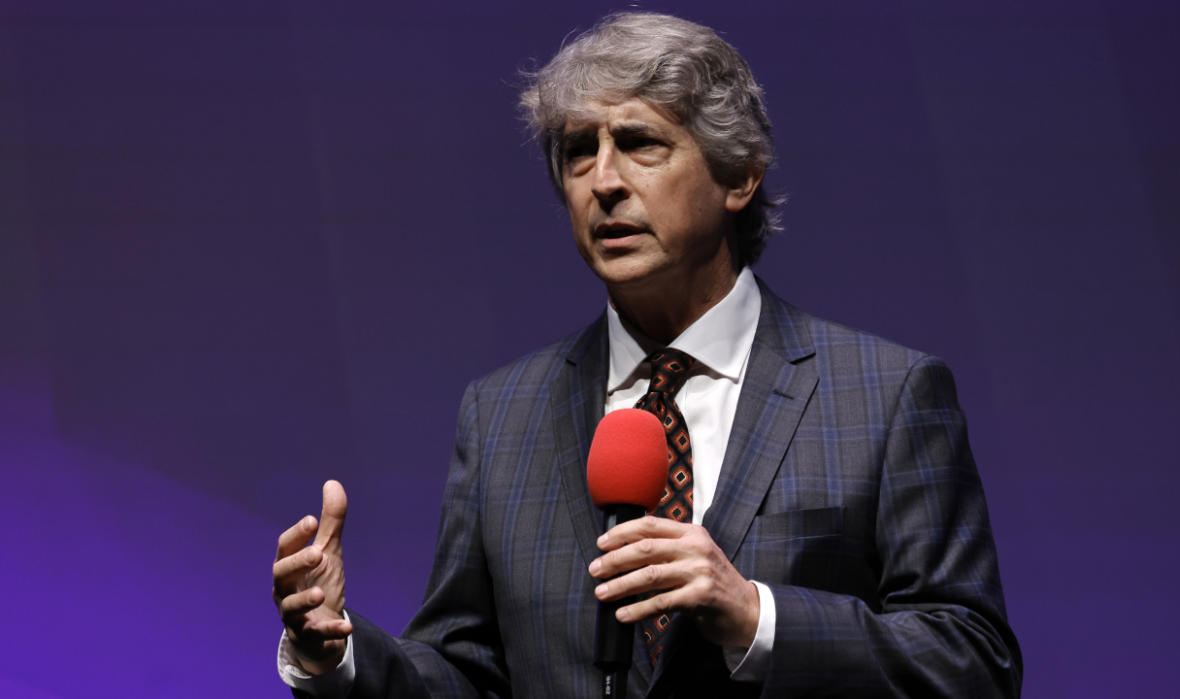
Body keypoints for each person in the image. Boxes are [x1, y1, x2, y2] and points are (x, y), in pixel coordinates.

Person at [273, 12, 1022, 698]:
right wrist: (337, 653)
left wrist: (755, 614)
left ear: (738, 175)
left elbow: (972, 662)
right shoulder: (500, 413)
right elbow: (467, 670)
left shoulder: (887, 394)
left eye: (639, 144)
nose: (602, 182)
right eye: (577, 153)